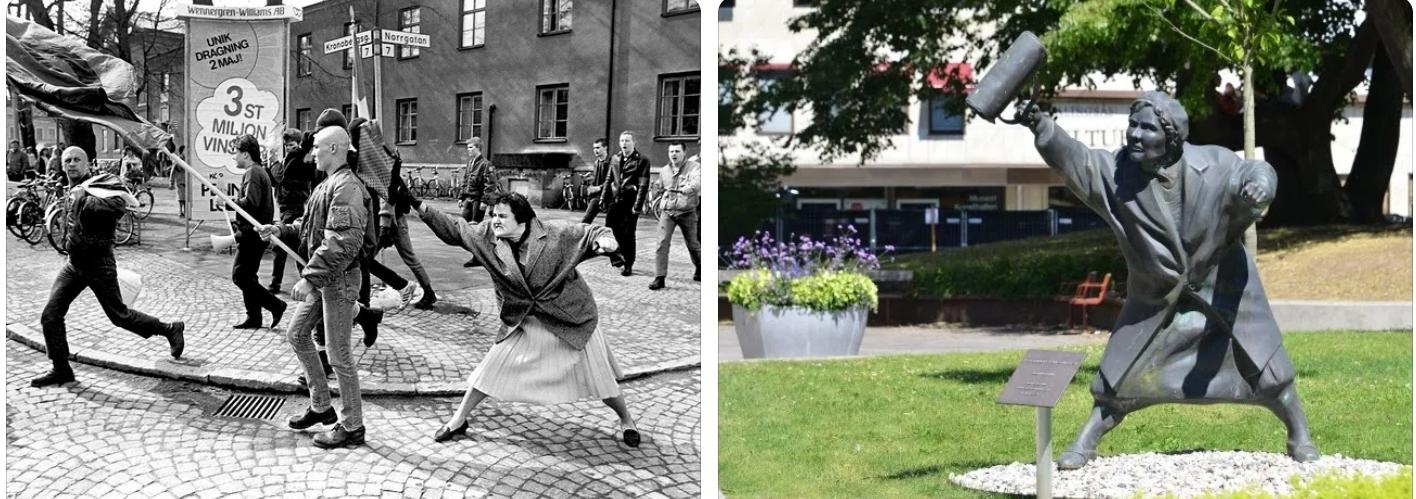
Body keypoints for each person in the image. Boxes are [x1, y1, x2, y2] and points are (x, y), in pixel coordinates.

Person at [1018, 91, 1318, 469]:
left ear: (1172, 136)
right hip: (1158, 298)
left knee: (1266, 367)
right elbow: (1073, 158)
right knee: (1120, 375)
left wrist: (1262, 187)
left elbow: (1255, 171)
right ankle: (1086, 440)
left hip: (1223, 287)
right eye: (1133, 125)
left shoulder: (1214, 163)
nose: (1135, 135)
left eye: (1147, 128)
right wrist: (1039, 123)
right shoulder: (1116, 175)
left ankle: (1300, 435)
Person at [405, 190, 641, 447]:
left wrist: (608, 242)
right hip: (523, 319)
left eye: (502, 216)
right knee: (490, 368)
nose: (495, 220)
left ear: (522, 220)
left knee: (599, 379)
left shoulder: (555, 234)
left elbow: (594, 232)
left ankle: (626, 419)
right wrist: (418, 204)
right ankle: (459, 420)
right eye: (494, 214)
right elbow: (455, 229)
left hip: (570, 318)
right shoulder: (487, 236)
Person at [257, 125, 376, 449]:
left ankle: (353, 426)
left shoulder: (348, 188)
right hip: (326, 278)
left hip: (337, 280)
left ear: (335, 149)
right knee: (297, 334)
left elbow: (342, 241)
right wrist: (280, 229)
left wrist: (310, 278)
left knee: (339, 355)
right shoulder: (328, 185)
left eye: (318, 148)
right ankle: (321, 406)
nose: (312, 154)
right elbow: (308, 226)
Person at [31, 146, 186, 387]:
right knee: (50, 315)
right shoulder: (70, 189)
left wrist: (86, 198)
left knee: (119, 316)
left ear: (87, 163)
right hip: (74, 265)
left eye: (76, 160)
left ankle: (170, 329)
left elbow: (118, 206)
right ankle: (61, 368)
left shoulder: (100, 182)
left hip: (99, 263)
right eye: (67, 160)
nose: (71, 164)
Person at [228, 134, 286, 329]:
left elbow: (251, 204)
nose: (234, 157)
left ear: (245, 154)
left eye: (235, 153)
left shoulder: (253, 173)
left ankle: (276, 305)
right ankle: (254, 316)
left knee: (240, 276)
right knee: (248, 276)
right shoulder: (258, 171)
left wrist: (229, 203)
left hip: (252, 234)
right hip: (255, 233)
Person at [268, 128, 317, 295]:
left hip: (293, 207)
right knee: (296, 245)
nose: (289, 148)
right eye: (287, 145)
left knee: (281, 244)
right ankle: (308, 279)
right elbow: (276, 180)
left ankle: (276, 283)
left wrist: (274, 161)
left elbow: (280, 176)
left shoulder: (297, 157)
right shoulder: (293, 158)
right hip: (287, 206)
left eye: (292, 144)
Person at [648, 142, 702, 290]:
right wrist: (654, 191)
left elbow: (698, 182)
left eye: (677, 151)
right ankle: (659, 277)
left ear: (684, 153)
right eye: (671, 151)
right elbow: (659, 186)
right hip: (668, 211)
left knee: (693, 245)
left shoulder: (694, 167)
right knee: (661, 243)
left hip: (687, 212)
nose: (673, 154)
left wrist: (689, 188)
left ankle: (700, 266)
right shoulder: (664, 170)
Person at [600, 131, 651, 277]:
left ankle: (628, 264)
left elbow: (643, 184)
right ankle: (617, 258)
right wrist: (603, 197)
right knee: (609, 230)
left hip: (630, 203)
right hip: (615, 201)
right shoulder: (615, 158)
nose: (624, 144)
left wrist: (638, 205)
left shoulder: (642, 160)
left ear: (634, 143)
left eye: (627, 141)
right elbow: (609, 178)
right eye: (622, 140)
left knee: (628, 234)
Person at [458, 137, 499, 267]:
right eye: (468, 148)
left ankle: (478, 257)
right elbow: (465, 181)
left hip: (478, 201)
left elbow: (491, 184)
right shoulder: (470, 163)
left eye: (471, 147)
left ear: (478, 148)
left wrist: (485, 201)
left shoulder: (486, 164)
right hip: (469, 199)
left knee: (476, 229)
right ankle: (480, 253)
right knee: (463, 227)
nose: (468, 150)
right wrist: (461, 197)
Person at [580, 138, 611, 223]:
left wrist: (598, 188)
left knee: (612, 225)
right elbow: (596, 180)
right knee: (586, 220)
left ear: (605, 148)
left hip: (611, 197)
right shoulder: (596, 163)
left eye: (598, 148)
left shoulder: (612, 163)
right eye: (594, 148)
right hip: (597, 197)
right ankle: (581, 235)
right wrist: (591, 187)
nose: (595, 150)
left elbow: (614, 182)